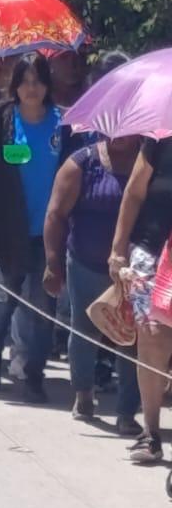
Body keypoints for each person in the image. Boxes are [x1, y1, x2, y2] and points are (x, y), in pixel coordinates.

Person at [0, 53, 62, 397]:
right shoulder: (2, 119)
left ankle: (34, 375)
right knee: (2, 303)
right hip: (9, 233)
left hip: (47, 234)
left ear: (47, 84)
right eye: (25, 81)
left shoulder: (61, 123)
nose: (31, 87)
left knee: (41, 307)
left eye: (38, 80)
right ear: (15, 85)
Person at [44, 129, 142, 428]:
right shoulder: (82, 163)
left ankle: (127, 412)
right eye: (115, 129)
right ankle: (84, 393)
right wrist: (52, 263)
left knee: (131, 339)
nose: (120, 136)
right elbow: (56, 214)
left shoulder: (149, 164)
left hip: (133, 272)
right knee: (84, 331)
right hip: (86, 264)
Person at [108, 135, 172, 464]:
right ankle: (150, 433)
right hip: (153, 252)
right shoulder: (158, 143)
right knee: (152, 340)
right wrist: (118, 249)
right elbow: (133, 193)